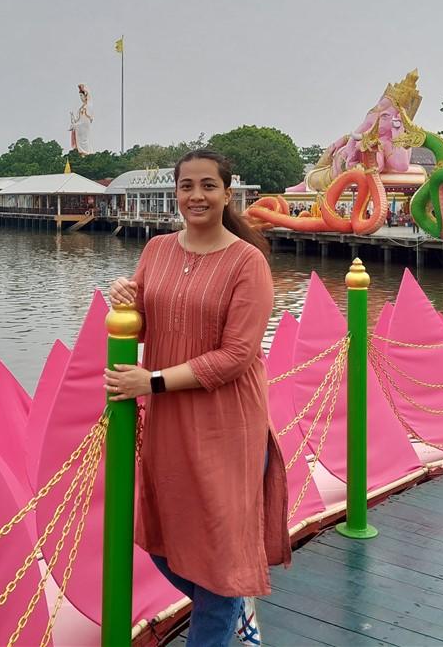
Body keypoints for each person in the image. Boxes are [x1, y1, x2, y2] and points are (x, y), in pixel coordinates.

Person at [104, 148, 289, 646]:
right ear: (176, 193)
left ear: (227, 194)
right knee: (162, 536)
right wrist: (126, 294)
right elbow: (148, 313)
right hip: (170, 418)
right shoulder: (157, 250)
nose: (196, 195)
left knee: (221, 547)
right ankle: (231, 603)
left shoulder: (247, 262)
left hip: (227, 419)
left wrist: (152, 381)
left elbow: (238, 354)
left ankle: (225, 606)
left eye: (208, 185)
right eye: (187, 186)